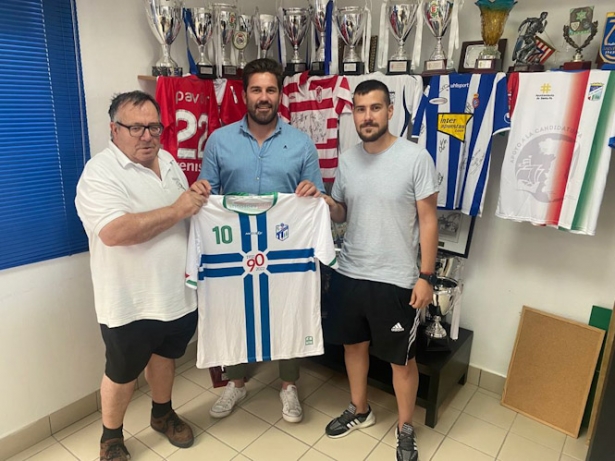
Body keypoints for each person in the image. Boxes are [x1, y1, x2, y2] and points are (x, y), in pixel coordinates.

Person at [190, 58, 324, 423]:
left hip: (285, 245)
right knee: (232, 304)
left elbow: (320, 200)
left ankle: (289, 385)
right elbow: (209, 194)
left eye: (270, 90)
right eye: (256, 89)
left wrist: (313, 192)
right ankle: (235, 382)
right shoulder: (220, 141)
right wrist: (201, 191)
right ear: (244, 93)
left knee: (290, 304)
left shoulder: (301, 144)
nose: (263, 97)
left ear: (280, 94)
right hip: (235, 248)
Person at [75, 91, 207, 461]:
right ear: (113, 129)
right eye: (136, 127)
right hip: (129, 301)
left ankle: (162, 414)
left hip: (177, 295)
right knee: (121, 373)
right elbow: (115, 232)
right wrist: (178, 208)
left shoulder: (168, 161)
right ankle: (111, 437)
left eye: (154, 126)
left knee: (165, 358)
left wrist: (193, 198)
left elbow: (182, 214)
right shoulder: (99, 173)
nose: (147, 135)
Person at [323, 80, 439, 461]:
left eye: (375, 108)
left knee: (401, 362)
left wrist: (426, 276)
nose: (367, 116)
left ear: (390, 111)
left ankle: (405, 428)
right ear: (353, 114)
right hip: (350, 271)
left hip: (396, 279)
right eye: (360, 109)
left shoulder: (415, 157)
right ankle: (360, 409)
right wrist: (325, 201)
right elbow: (342, 211)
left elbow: (428, 220)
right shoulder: (347, 159)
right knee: (353, 347)